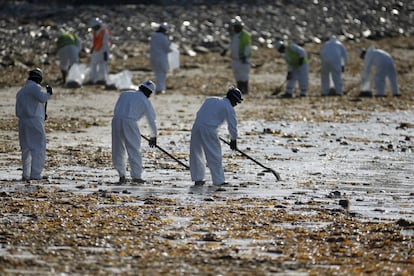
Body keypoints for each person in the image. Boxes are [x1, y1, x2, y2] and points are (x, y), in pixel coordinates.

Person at [190, 87, 243, 186]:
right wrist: (233, 140)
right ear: (233, 99)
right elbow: (232, 126)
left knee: (196, 153)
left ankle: (198, 178)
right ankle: (219, 181)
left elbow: (201, 114)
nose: (236, 104)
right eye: (236, 102)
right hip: (209, 129)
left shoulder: (210, 100)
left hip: (196, 126)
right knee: (214, 155)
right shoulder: (228, 108)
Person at [111, 80, 158, 184]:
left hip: (116, 120)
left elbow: (118, 109)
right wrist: (153, 136)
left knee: (117, 149)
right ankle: (136, 176)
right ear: (149, 93)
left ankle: (121, 175)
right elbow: (151, 120)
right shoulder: (145, 101)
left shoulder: (125, 94)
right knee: (133, 149)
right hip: (130, 122)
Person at [15, 68, 53, 181]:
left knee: (26, 149)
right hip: (34, 121)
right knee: (38, 148)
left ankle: (25, 174)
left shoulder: (21, 91)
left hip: (22, 122)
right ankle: (35, 175)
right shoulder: (35, 88)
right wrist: (49, 93)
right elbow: (42, 98)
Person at [221, 16, 252, 95]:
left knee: (244, 74)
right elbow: (231, 44)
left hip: (243, 59)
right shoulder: (234, 35)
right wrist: (225, 50)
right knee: (237, 74)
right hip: (235, 59)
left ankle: (245, 89)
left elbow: (247, 47)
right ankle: (239, 89)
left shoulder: (245, 35)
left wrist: (244, 56)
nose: (235, 28)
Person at [150, 22, 172, 94]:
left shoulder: (153, 36)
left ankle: (159, 88)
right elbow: (167, 48)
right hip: (161, 57)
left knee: (157, 73)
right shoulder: (163, 37)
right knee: (162, 73)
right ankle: (160, 89)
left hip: (153, 57)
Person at [88, 17, 111, 85]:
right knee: (93, 65)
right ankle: (93, 80)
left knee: (103, 65)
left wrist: (105, 53)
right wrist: (92, 48)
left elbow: (105, 43)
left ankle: (102, 80)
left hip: (103, 51)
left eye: (94, 27)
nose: (93, 28)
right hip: (96, 50)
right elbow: (96, 41)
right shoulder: (96, 31)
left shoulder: (104, 32)